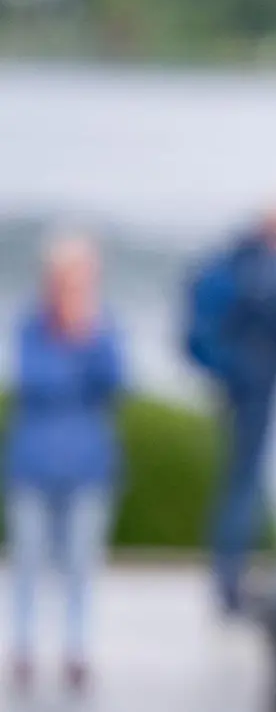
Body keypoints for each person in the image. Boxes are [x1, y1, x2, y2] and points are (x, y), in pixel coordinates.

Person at [4, 231, 123, 695]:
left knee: (80, 564)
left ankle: (77, 648)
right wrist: (75, 351)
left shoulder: (103, 326)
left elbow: (115, 380)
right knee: (28, 561)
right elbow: (37, 381)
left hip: (88, 465)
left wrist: (86, 335)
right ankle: (24, 646)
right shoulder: (29, 325)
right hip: (34, 464)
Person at [184, 204, 276, 615]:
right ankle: (233, 578)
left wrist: (227, 371)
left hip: (231, 388)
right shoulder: (270, 270)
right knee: (245, 483)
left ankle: (226, 576)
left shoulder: (230, 262)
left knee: (234, 480)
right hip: (257, 388)